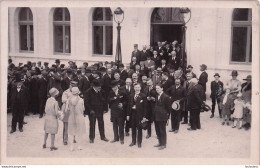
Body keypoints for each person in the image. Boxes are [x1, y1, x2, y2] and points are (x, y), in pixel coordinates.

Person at [127, 83, 147, 148]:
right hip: (132, 114)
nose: (137, 89)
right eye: (136, 87)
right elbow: (128, 106)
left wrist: (144, 116)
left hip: (140, 115)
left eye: (138, 87)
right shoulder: (131, 95)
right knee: (133, 128)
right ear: (134, 88)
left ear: (140, 88)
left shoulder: (143, 96)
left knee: (139, 128)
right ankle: (133, 141)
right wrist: (128, 115)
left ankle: (139, 142)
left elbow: (145, 107)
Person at [153, 84, 171, 150]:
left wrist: (167, 117)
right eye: (156, 89)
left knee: (162, 130)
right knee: (157, 130)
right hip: (156, 116)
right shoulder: (157, 96)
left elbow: (168, 108)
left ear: (162, 88)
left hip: (162, 117)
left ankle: (163, 144)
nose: (157, 90)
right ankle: (160, 142)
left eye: (158, 88)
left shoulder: (166, 97)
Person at [61, 81, 78, 145]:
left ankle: (73, 138)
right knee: (66, 125)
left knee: (74, 125)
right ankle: (65, 139)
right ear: (70, 86)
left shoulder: (76, 91)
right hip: (67, 110)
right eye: (72, 86)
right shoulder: (66, 92)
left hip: (74, 110)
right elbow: (63, 100)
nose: (73, 88)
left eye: (75, 86)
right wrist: (70, 100)